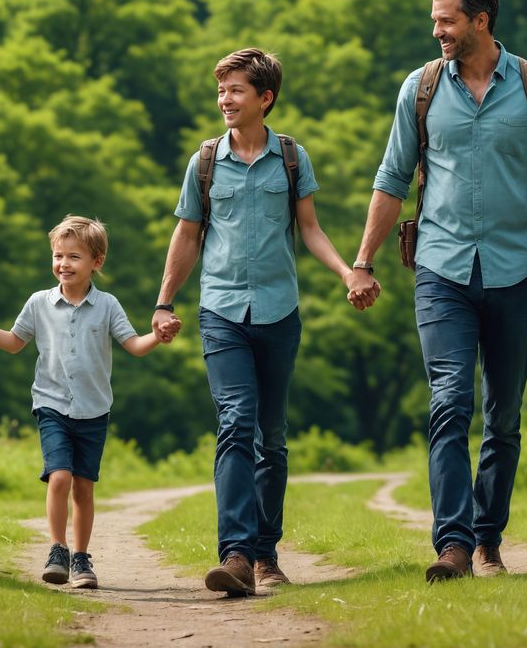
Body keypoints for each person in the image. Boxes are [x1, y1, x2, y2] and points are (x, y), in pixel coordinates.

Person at [351, 0, 527, 583]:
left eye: (447, 21)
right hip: (441, 268)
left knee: (503, 414)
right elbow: (391, 177)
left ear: (480, 21)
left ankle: (489, 537)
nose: (437, 31)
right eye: (436, 21)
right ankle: (453, 544)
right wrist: (363, 260)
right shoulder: (422, 88)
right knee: (450, 400)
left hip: (517, 270)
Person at [153, 48, 378, 598]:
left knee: (271, 439)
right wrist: (164, 302)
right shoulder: (204, 163)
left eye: (235, 91)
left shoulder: (293, 159)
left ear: (265, 98)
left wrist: (350, 272)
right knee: (236, 421)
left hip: (279, 312)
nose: (224, 100)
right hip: (221, 311)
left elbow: (310, 229)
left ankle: (266, 553)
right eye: (222, 91)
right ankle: (234, 554)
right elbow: (187, 236)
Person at [0, 215, 164, 590]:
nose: (63, 264)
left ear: (96, 262)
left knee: (84, 487)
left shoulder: (108, 306)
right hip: (51, 404)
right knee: (60, 477)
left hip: (94, 410)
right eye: (58, 256)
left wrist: (156, 336)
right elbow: (13, 342)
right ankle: (57, 548)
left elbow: (133, 346)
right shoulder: (39, 303)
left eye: (74, 257)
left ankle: (82, 557)